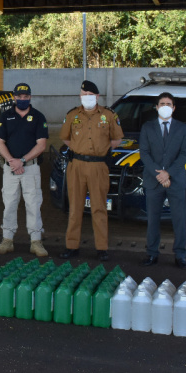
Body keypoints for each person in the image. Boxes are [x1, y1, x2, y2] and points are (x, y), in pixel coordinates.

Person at [59, 80, 124, 261]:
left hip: (98, 166)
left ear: (97, 96)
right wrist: (79, 149)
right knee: (75, 208)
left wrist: (101, 149)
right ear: (80, 96)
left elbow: (117, 139)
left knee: (99, 208)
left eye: (90, 95)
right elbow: (65, 138)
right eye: (84, 94)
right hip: (77, 166)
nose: (87, 97)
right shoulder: (72, 115)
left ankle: (102, 248)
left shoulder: (108, 115)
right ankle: (72, 246)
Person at [0, 83, 49, 257]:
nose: (22, 99)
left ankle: (36, 241)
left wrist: (22, 161)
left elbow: (42, 145)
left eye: (26, 97)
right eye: (19, 96)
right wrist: (12, 161)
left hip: (30, 168)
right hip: (10, 168)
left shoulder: (38, 117)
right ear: (14, 97)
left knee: (33, 204)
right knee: (9, 203)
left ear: (30, 97)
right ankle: (7, 240)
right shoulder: (5, 116)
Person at [139, 92, 186, 269]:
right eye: (162, 104)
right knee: (153, 219)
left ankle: (180, 255)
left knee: (179, 219)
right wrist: (159, 174)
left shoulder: (183, 128)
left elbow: (185, 154)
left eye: (168, 104)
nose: (165, 106)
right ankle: (152, 253)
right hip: (154, 181)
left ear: (174, 108)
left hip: (175, 180)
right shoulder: (147, 127)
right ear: (156, 107)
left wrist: (168, 173)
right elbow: (144, 153)